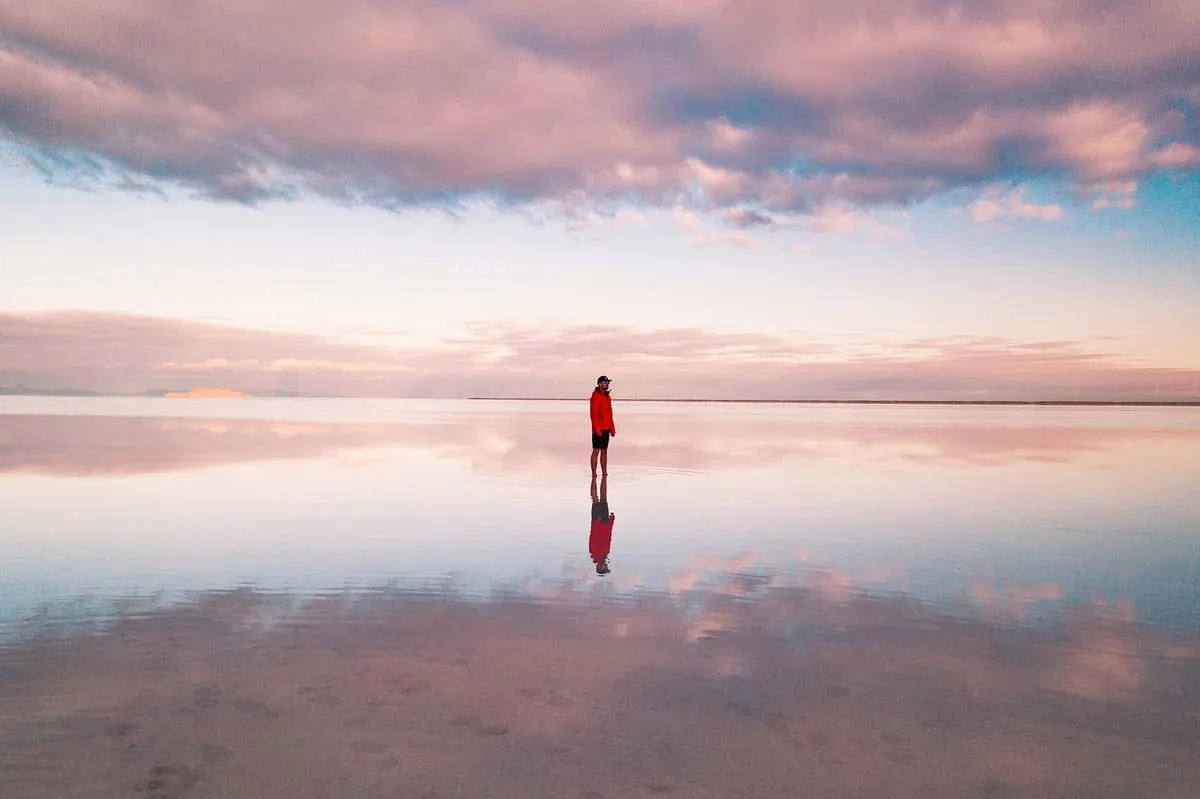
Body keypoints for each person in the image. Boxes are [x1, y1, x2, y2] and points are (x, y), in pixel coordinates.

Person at [589, 375, 616, 478]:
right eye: (605, 382)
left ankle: (604, 473)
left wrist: (612, 428)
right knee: (596, 450)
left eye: (608, 382)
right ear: (599, 384)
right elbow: (593, 414)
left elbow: (610, 414)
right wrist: (596, 429)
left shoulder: (607, 397)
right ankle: (594, 474)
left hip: (607, 428)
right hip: (598, 429)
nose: (607, 384)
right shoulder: (595, 396)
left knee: (604, 451)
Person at [589, 474, 614, 575]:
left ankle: (594, 479)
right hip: (605, 522)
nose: (606, 565)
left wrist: (597, 522)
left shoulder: (594, 554)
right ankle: (601, 478)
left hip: (597, 522)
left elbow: (593, 537)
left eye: (605, 567)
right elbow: (609, 537)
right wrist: (612, 520)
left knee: (595, 499)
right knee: (604, 498)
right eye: (606, 567)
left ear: (599, 567)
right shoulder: (605, 554)